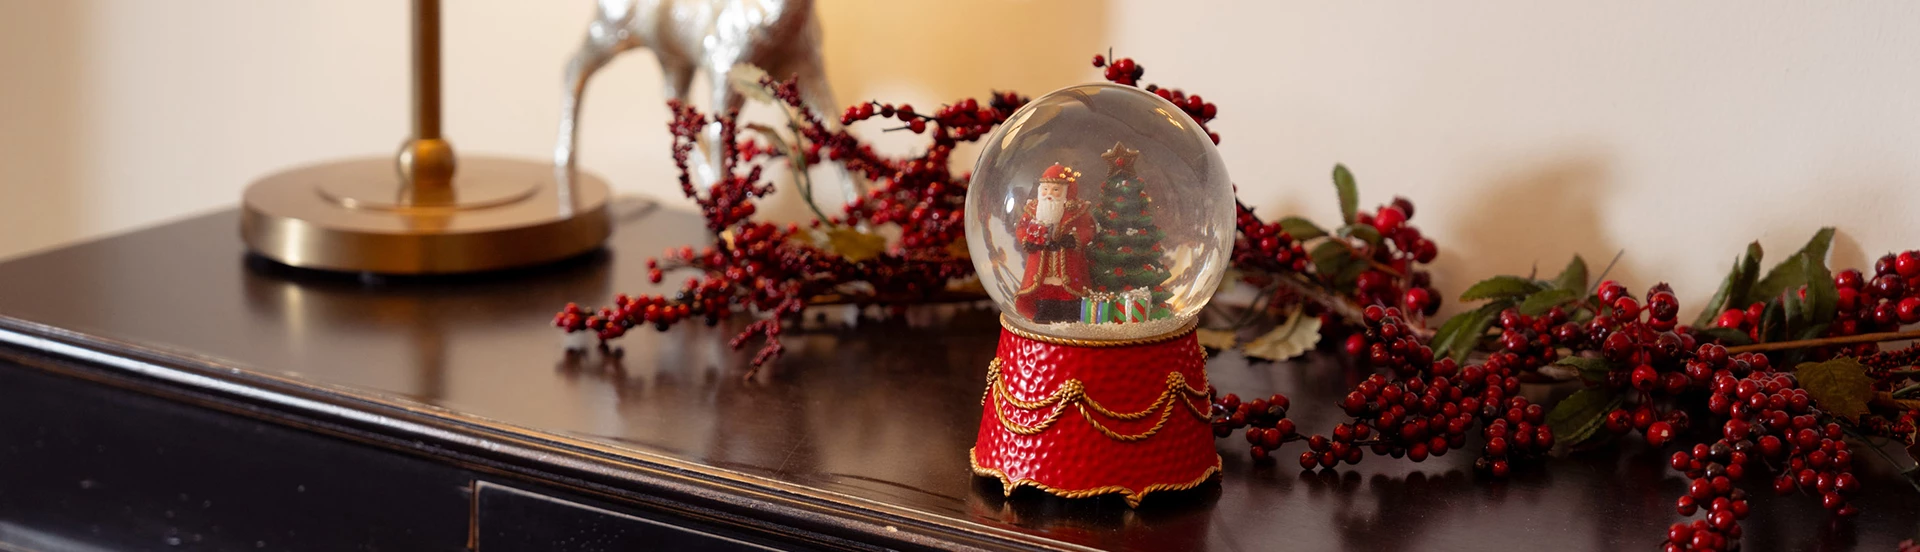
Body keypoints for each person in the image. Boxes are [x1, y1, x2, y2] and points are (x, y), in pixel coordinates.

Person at [1013, 163, 1094, 323]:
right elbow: (1022, 228)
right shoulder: (1033, 209)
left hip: (1067, 259)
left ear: (1065, 191)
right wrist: (1028, 240)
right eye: (1045, 189)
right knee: (1044, 284)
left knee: (1067, 285)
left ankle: (1069, 312)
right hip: (1041, 260)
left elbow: (1088, 229)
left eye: (1055, 190)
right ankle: (1045, 310)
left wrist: (1073, 239)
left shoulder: (1076, 210)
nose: (1049, 194)